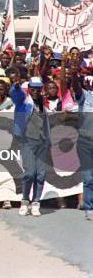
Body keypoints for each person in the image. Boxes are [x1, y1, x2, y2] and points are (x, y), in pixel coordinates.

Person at [10, 75, 50, 217]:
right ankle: (25, 201)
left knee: (41, 174)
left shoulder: (43, 104)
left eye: (38, 89)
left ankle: (36, 203)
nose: (35, 91)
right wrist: (15, 86)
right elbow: (16, 95)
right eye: (33, 88)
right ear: (29, 89)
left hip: (42, 142)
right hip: (27, 141)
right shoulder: (23, 101)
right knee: (29, 173)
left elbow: (45, 124)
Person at [70, 64, 93, 221]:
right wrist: (73, 75)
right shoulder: (84, 95)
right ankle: (89, 207)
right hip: (85, 141)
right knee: (88, 177)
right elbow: (76, 87)